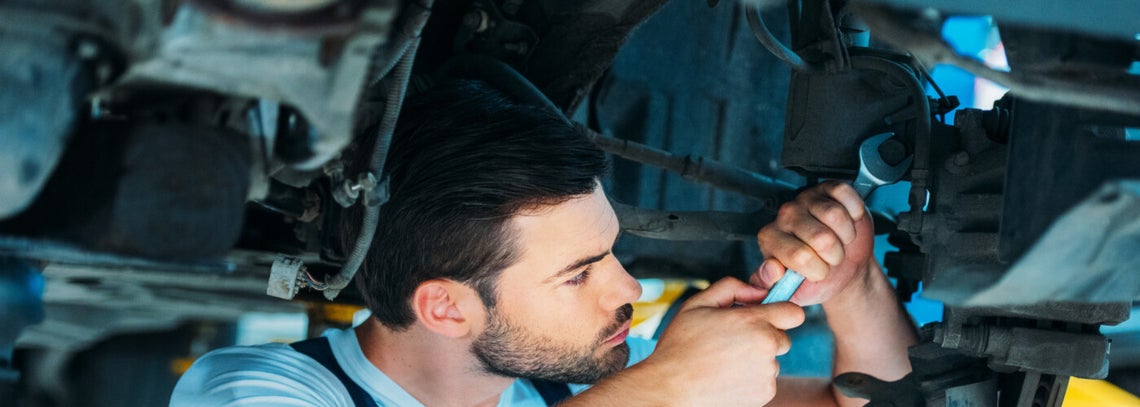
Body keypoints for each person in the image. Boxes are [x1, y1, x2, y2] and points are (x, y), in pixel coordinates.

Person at [171, 79, 916, 406]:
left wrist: (851, 286)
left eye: (613, 254)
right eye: (578, 274)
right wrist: (666, 388)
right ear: (445, 307)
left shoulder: (572, 384)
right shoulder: (253, 391)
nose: (629, 288)